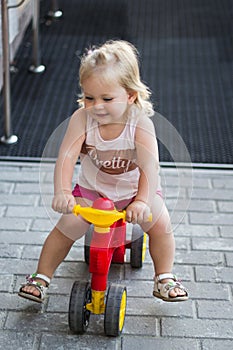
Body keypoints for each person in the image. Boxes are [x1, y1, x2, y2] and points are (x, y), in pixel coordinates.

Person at [18, 40, 188, 303]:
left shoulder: (140, 123)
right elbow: (66, 156)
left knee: (161, 224)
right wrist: (63, 191)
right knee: (66, 227)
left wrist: (143, 200)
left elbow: (150, 167)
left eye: (107, 99)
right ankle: (42, 277)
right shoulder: (81, 119)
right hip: (92, 190)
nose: (97, 106)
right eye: (89, 97)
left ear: (130, 95)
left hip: (135, 191)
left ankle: (164, 276)